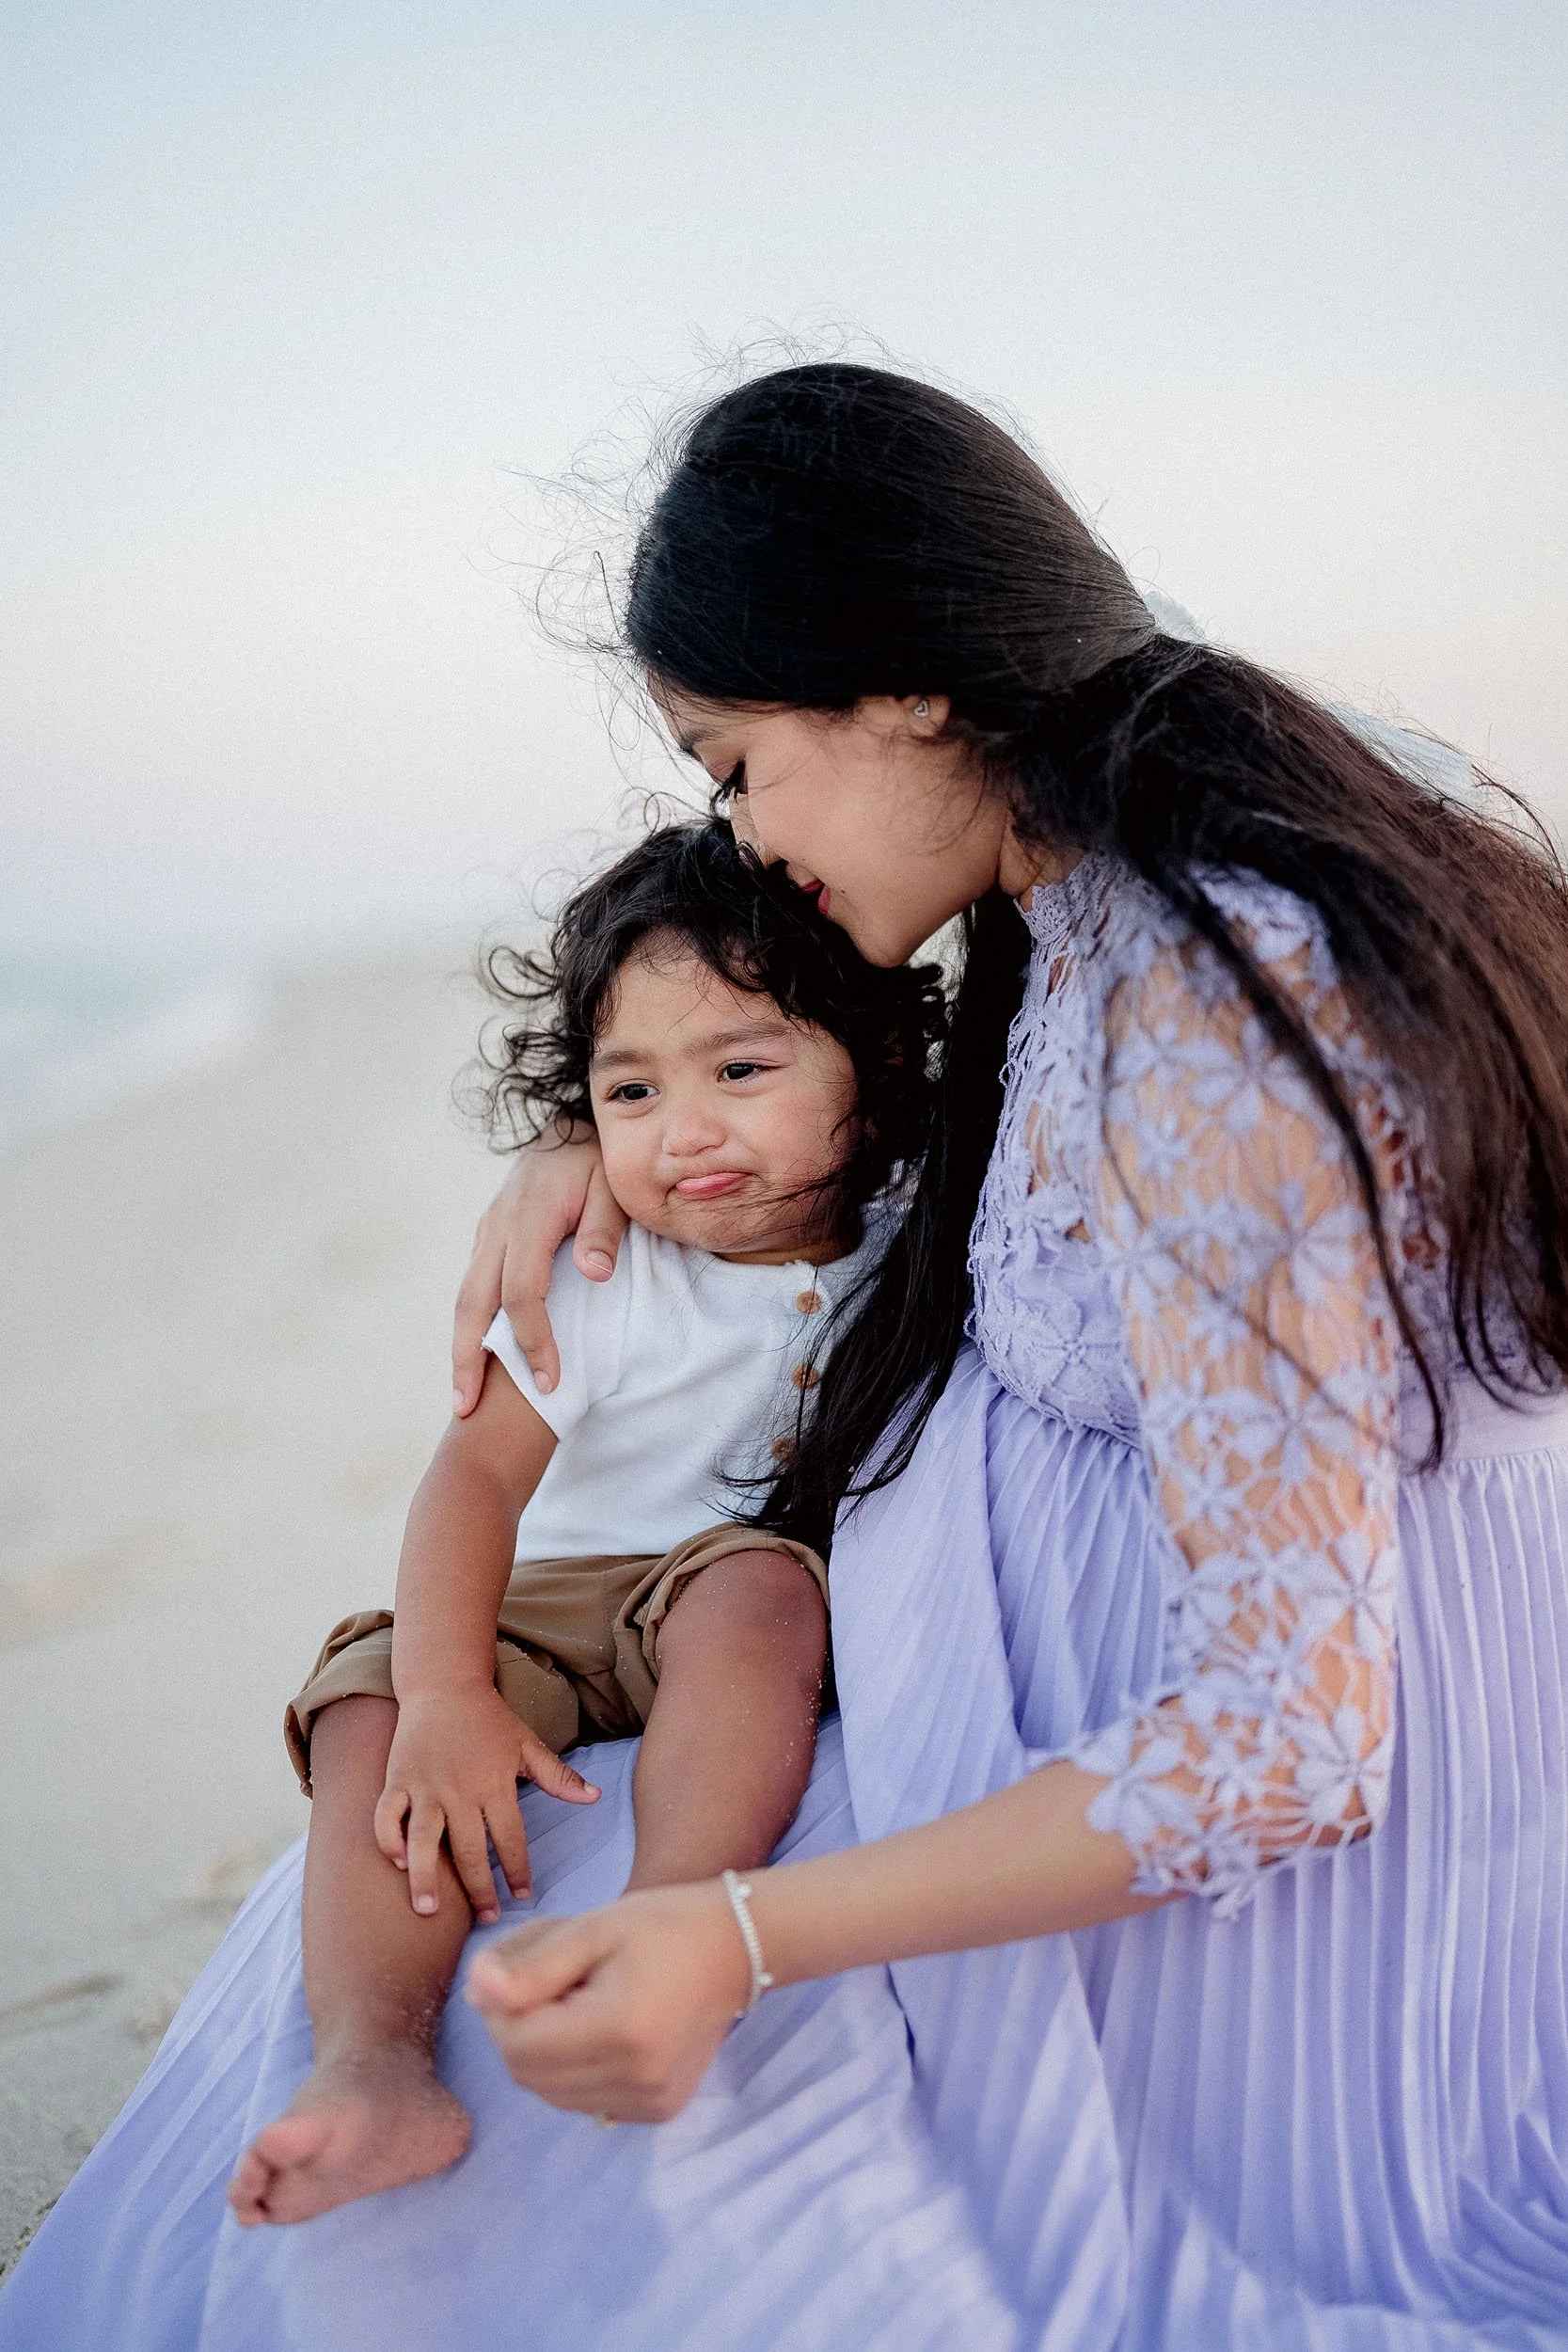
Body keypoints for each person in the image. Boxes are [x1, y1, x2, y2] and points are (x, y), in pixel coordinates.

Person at [6, 362, 1568, 2351]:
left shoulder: (1212, 987)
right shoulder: (1089, 898)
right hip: (958, 1769)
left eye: (733, 758)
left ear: (905, 683)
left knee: (481, 2168)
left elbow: (1290, 1735)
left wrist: (735, 1930)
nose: (738, 827)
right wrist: (609, 1138)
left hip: (1238, 1978)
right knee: (392, 1869)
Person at [224, 822, 938, 2226]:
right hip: (561, 1600)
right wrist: (441, 1691)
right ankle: (375, 2070)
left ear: (870, 1061)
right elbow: (473, 1481)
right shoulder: (599, 1270)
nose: (683, 1132)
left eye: (741, 1069)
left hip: (723, 1595)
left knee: (760, 1592)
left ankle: (664, 1922)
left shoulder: (921, 1226)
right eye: (629, 1090)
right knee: (364, 1704)